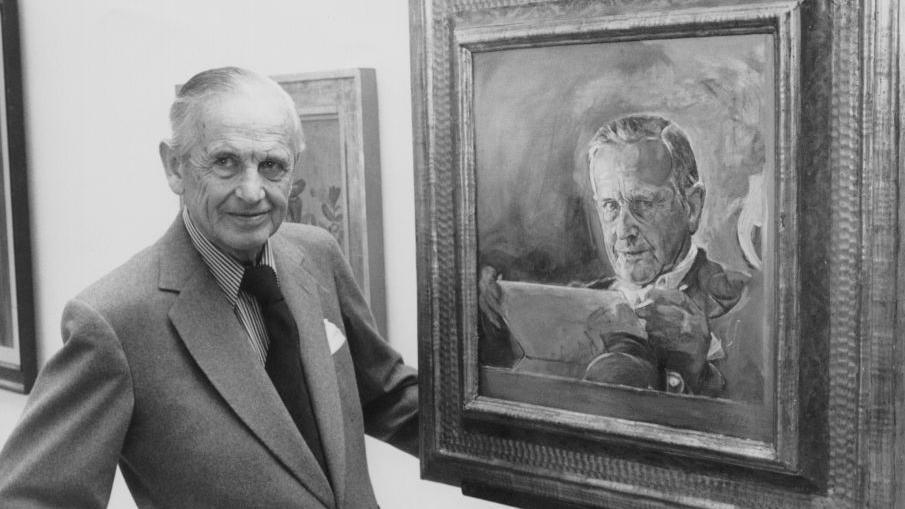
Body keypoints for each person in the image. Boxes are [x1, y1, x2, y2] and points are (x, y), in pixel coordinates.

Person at [0, 67, 418, 508]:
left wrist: (494, 439)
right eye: (225, 162)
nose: (252, 191)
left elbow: (387, 397)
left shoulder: (317, 255)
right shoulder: (113, 321)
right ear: (174, 167)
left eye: (272, 165)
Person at [480, 115, 753, 398]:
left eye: (644, 203)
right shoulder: (568, 308)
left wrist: (698, 373)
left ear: (692, 208)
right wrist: (492, 318)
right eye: (610, 206)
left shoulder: (747, 306)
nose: (623, 230)